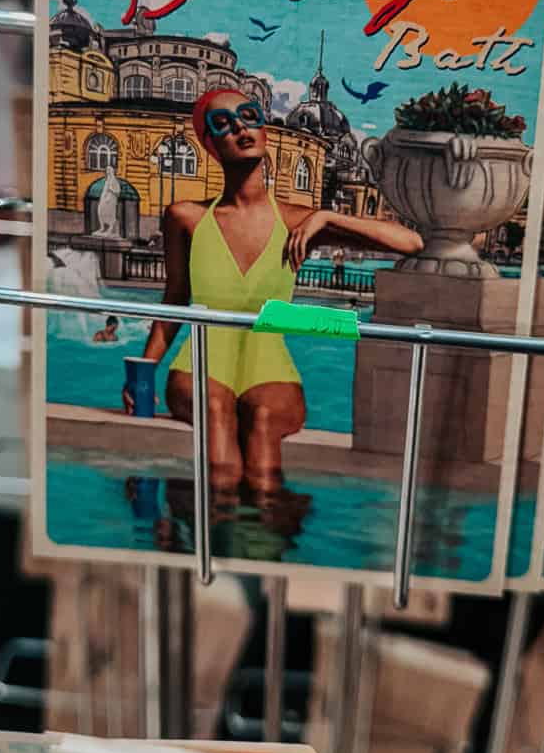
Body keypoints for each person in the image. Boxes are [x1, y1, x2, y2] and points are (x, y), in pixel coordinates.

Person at [124, 87, 422, 490]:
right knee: (217, 423)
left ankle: (258, 545)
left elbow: (410, 243)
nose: (241, 129)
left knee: (263, 433)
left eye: (249, 116)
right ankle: (205, 538)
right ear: (210, 145)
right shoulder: (186, 218)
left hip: (270, 365)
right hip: (200, 362)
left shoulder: (299, 221)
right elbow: (176, 298)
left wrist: (326, 217)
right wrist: (143, 372)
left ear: (264, 130)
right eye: (223, 124)